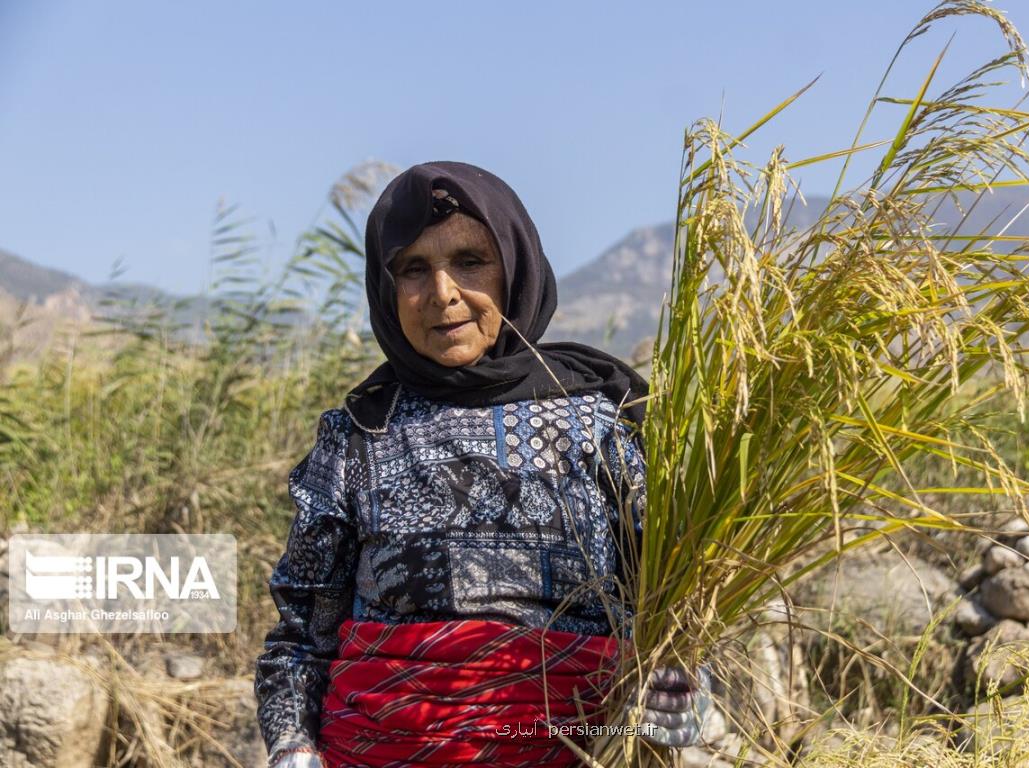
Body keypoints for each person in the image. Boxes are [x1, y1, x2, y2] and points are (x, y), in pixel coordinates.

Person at [255, 161, 709, 768]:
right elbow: (300, 639)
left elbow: (675, 614)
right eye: (413, 269)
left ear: (513, 269)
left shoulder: (604, 423)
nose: (441, 293)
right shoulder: (357, 435)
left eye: (469, 262)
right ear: (387, 291)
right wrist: (291, 747)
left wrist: (683, 692)